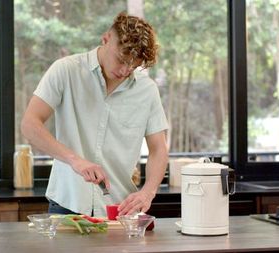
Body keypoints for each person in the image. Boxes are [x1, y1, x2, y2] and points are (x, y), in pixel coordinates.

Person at [21, 12, 169, 217]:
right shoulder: (66, 71)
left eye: (133, 66)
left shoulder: (147, 90)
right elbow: (30, 124)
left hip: (120, 209)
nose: (125, 70)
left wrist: (148, 192)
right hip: (67, 203)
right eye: (121, 59)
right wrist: (75, 160)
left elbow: (158, 149)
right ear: (106, 38)